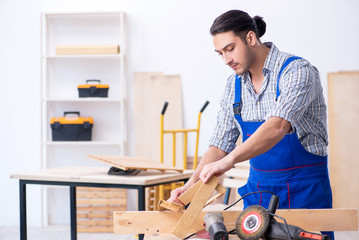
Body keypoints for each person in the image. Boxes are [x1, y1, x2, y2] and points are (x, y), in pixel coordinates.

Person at [168, 9, 334, 239]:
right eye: (220, 53)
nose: (226, 60)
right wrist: (190, 187)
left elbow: (277, 126)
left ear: (250, 38)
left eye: (230, 49)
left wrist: (229, 161)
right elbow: (219, 144)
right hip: (258, 194)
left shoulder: (297, 72)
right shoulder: (233, 86)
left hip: (304, 192)